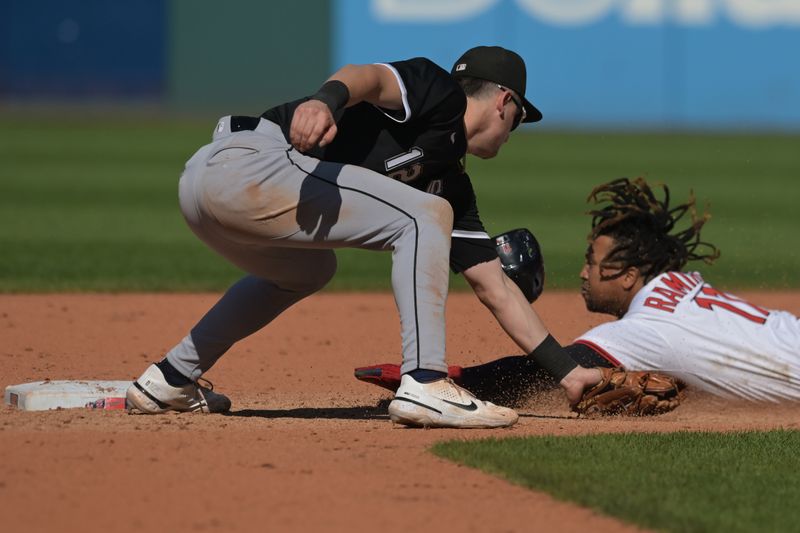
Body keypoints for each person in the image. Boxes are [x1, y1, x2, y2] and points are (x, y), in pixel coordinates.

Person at [125, 45, 601, 428]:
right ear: (504, 101)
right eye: (519, 118)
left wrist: (570, 372)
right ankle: (426, 383)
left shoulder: (451, 183)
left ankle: (170, 379)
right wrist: (326, 99)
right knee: (423, 216)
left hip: (216, 197)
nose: (513, 131)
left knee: (308, 270)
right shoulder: (439, 92)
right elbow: (367, 77)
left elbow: (495, 289)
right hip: (245, 162)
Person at [356, 177, 800, 405]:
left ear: (629, 276)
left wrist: (439, 379)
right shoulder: (685, 283)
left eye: (593, 260)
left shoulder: (643, 331)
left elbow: (534, 372)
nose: (583, 271)